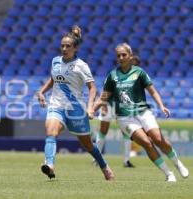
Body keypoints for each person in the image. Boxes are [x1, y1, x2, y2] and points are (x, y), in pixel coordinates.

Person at [93, 43, 189, 182]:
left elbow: (153, 91)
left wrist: (161, 106)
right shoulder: (112, 76)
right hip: (124, 118)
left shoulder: (139, 72)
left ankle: (177, 163)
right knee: (146, 143)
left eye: (124, 54)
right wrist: (91, 110)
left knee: (157, 138)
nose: (121, 57)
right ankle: (169, 174)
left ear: (130, 56)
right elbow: (104, 98)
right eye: (118, 55)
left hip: (143, 112)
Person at [37, 25, 115, 181]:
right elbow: (54, 79)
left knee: (88, 145)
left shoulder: (81, 66)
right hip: (57, 105)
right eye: (62, 46)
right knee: (50, 132)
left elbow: (92, 88)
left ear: (75, 48)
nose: (64, 49)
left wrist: (90, 107)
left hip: (76, 109)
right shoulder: (55, 61)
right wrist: (41, 92)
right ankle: (50, 165)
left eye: (68, 46)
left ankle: (105, 167)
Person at [95, 55, 141, 168]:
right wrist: (103, 105)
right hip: (109, 104)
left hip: (123, 107)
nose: (133, 65)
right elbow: (106, 90)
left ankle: (126, 161)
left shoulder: (136, 76)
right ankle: (96, 158)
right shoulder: (115, 73)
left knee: (127, 133)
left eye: (135, 64)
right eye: (132, 63)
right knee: (103, 130)